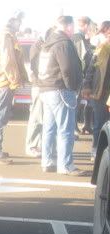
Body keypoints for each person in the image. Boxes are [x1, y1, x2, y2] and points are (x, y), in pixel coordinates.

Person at [38, 16, 85, 176]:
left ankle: (47, 161)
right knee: (66, 129)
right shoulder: (63, 43)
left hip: (47, 88)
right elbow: (68, 68)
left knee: (49, 128)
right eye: (72, 27)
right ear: (69, 26)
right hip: (61, 89)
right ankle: (65, 165)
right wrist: (73, 87)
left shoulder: (48, 43)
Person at [0, 12, 27, 164]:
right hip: (3, 81)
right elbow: (7, 60)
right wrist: (15, 80)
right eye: (19, 21)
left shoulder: (2, 35)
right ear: (12, 21)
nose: (20, 24)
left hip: (0, 80)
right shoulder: (6, 37)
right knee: (0, 115)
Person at [82, 22, 110, 162]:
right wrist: (86, 86)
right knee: (99, 123)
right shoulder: (101, 50)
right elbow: (90, 70)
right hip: (101, 93)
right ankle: (95, 151)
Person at [26, 31, 50, 158]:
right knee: (36, 117)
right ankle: (32, 146)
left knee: (43, 117)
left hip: (44, 86)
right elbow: (35, 68)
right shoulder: (37, 47)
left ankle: (39, 145)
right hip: (39, 86)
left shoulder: (43, 46)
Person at [73, 17, 93, 135]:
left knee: (80, 102)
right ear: (86, 25)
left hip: (81, 75)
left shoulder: (81, 38)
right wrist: (84, 75)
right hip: (80, 75)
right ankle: (74, 128)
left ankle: (83, 126)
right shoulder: (78, 38)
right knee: (75, 103)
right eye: (89, 25)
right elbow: (82, 58)